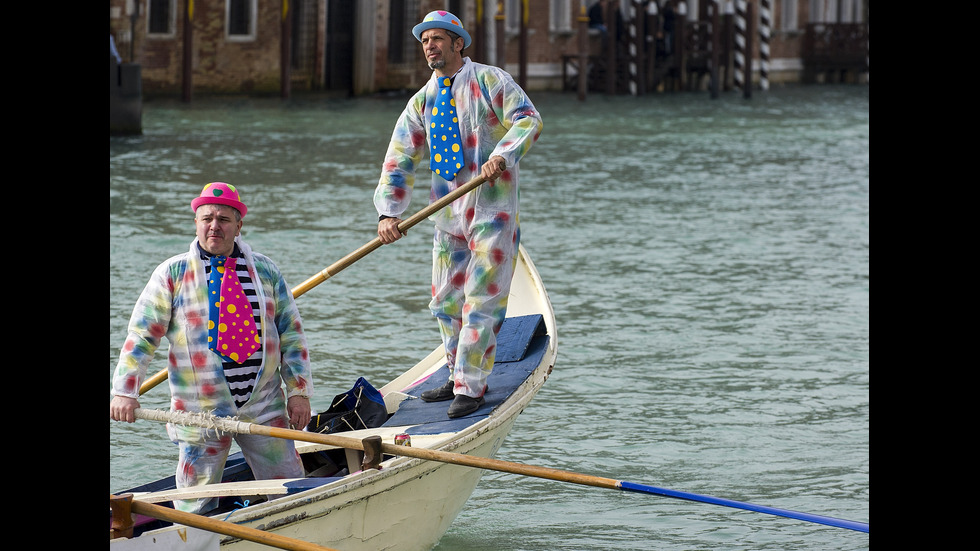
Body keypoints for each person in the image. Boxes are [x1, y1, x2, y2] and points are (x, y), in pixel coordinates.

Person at [374, 10, 543, 419]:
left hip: (492, 209)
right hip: (446, 213)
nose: (430, 46)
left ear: (457, 43)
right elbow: (400, 158)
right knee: (444, 300)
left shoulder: (490, 80)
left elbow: (528, 120)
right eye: (424, 41)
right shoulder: (422, 101)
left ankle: (471, 387)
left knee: (480, 301)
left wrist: (501, 156)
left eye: (437, 39)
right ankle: (452, 374)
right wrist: (388, 213)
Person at [110, 182, 313, 514]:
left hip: (264, 406)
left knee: (289, 489)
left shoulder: (266, 271)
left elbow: (291, 333)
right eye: (206, 218)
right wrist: (125, 391)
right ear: (196, 223)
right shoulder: (172, 273)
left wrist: (299, 391)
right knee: (195, 506)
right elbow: (142, 336)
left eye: (223, 219)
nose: (214, 226)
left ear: (238, 226)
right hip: (199, 410)